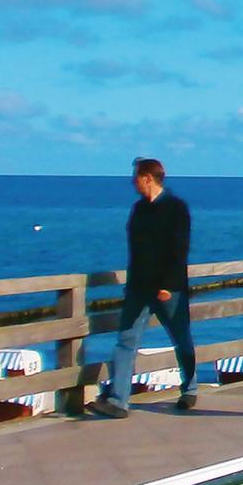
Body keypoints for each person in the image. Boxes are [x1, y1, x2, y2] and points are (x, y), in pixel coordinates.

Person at [88, 158, 197, 418]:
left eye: (135, 177)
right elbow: (136, 252)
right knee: (126, 341)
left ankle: (190, 389)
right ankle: (118, 400)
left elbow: (179, 249)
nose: (132, 181)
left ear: (147, 178)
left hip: (169, 290)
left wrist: (168, 285)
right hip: (139, 289)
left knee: (181, 339)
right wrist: (132, 285)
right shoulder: (138, 209)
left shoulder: (176, 208)